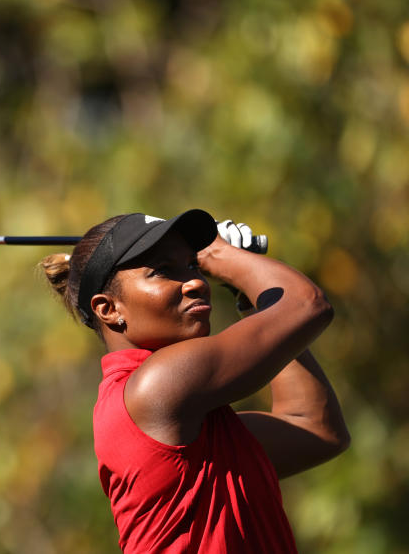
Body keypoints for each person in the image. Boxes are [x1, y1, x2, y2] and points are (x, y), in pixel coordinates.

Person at [40, 209, 349, 553]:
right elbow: (307, 306)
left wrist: (249, 297)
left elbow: (317, 429)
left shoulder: (193, 420)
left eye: (192, 265)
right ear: (109, 309)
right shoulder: (158, 385)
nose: (198, 281)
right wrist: (222, 255)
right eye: (162, 271)